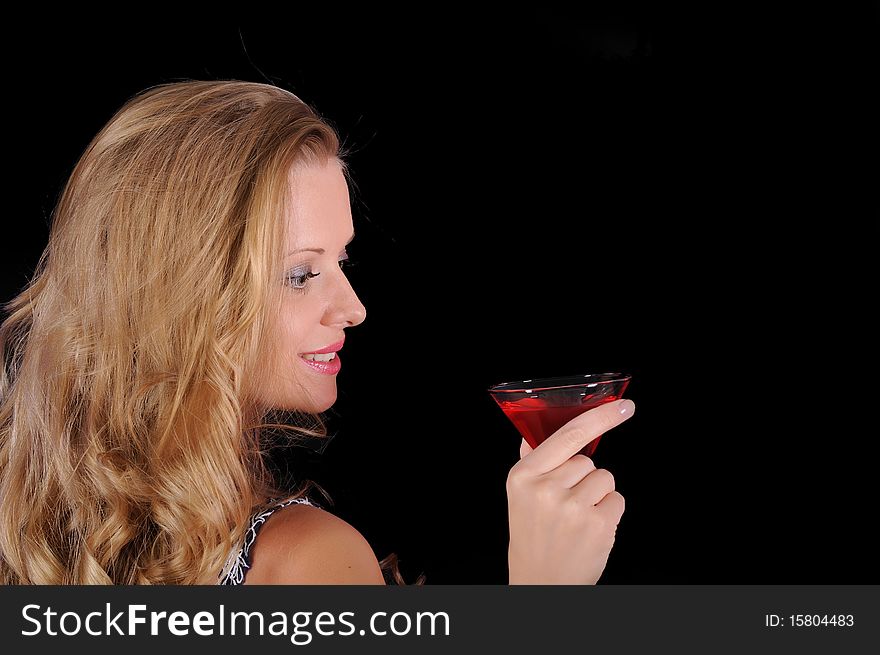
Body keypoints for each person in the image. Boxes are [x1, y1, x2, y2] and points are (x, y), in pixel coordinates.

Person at [0, 80, 631, 585]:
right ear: (184, 295)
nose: (353, 308)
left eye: (342, 261)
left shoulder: (27, 528)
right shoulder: (305, 563)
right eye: (301, 273)